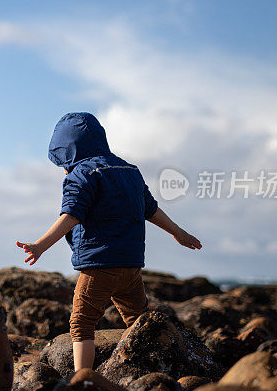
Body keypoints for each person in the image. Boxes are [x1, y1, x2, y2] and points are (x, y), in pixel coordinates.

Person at [16, 112, 201, 373]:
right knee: (138, 321)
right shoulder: (130, 171)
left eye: (63, 162)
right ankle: (152, 370)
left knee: (81, 323)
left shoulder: (82, 174)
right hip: (131, 266)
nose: (64, 169)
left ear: (69, 151)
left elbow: (71, 215)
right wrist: (178, 232)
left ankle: (84, 378)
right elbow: (151, 209)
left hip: (99, 265)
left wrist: (40, 245)